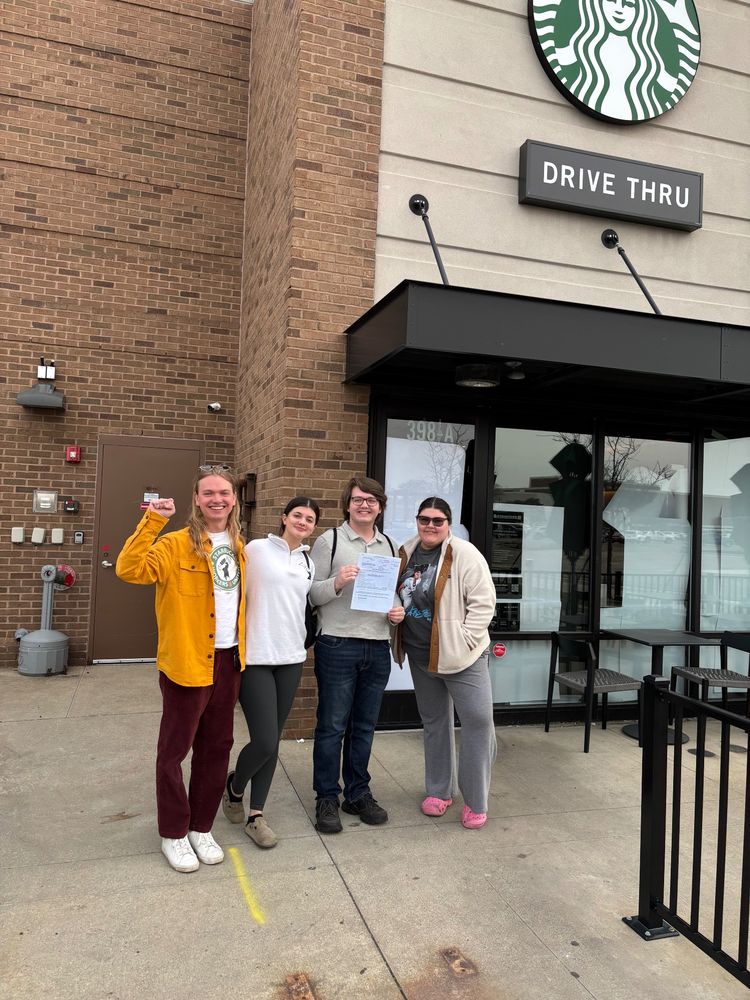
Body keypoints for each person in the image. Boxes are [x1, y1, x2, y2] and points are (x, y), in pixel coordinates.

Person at [115, 466, 245, 872]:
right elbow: (128, 569)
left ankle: (201, 827)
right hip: (187, 660)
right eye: (208, 493)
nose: (217, 499)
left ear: (234, 498)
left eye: (223, 492)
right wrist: (153, 518)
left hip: (230, 658)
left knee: (216, 748)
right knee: (174, 751)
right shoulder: (174, 544)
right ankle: (174, 831)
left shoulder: (241, 546)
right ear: (196, 498)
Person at [222, 496, 320, 848]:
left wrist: (338, 582)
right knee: (264, 740)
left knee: (273, 740)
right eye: (298, 515)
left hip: (292, 657)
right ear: (284, 517)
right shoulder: (256, 549)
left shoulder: (308, 561)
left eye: (310, 518)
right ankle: (234, 788)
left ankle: (256, 815)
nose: (303, 521)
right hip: (256, 657)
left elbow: (308, 601)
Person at [309, 476, 404, 834]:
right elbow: (312, 594)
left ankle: (358, 793)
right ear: (347, 504)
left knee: (363, 727)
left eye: (371, 500)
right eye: (358, 499)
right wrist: (336, 582)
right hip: (337, 643)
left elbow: (391, 593)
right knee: (332, 727)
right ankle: (327, 797)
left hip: (377, 644)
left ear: (380, 506)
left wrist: (397, 610)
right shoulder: (329, 541)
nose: (364, 505)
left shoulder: (390, 545)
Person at [394, 497, 497, 830]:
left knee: (478, 722)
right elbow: (397, 593)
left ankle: (476, 800)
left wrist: (465, 638)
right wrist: (394, 612)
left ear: (448, 524)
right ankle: (439, 791)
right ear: (417, 520)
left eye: (438, 520)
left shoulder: (465, 554)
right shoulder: (405, 552)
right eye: (425, 519)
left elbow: (484, 602)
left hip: (463, 656)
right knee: (435, 722)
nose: (431, 526)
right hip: (422, 654)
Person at [538, 0, 699, 121]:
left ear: (641, 11)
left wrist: (674, 16)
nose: (620, 10)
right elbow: (560, 57)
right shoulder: (581, 45)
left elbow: (671, 85)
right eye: (611, 1)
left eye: (629, 4)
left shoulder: (649, 57)